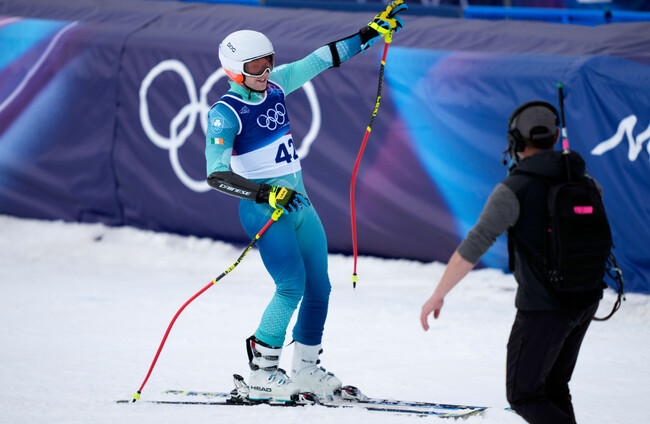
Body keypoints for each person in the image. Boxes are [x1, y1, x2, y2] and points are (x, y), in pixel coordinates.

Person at [205, 2, 407, 402]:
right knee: (290, 286)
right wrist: (264, 193)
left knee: (320, 288)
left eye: (268, 62)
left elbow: (319, 60)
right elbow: (216, 174)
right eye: (255, 67)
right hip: (265, 210)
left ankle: (306, 367)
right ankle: (262, 373)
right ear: (234, 71)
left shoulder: (277, 85)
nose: (265, 72)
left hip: (299, 205)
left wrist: (368, 34)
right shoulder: (225, 113)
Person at [419, 101, 605, 424]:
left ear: (515, 141)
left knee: (524, 395)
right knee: (554, 387)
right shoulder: (586, 181)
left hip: (545, 306)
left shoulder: (514, 190)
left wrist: (438, 294)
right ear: (555, 136)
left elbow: (473, 246)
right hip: (587, 299)